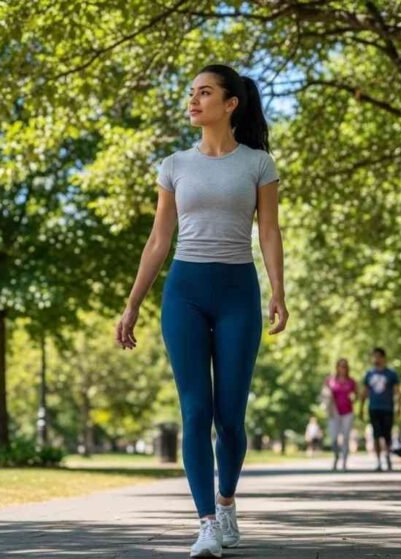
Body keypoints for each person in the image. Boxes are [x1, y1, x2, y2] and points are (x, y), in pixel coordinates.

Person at [115, 64, 286, 558]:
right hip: (184, 291)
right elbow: (158, 240)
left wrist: (278, 290)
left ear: (230, 104)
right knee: (195, 411)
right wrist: (132, 305)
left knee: (230, 416)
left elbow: (269, 231)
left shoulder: (258, 163)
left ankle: (227, 502)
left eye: (204, 92)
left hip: (237, 291)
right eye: (191, 92)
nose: (193, 100)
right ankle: (206, 522)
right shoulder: (173, 165)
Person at [358, 347, 401, 471]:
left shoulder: (391, 374)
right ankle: (378, 461)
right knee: (376, 435)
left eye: (378, 356)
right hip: (373, 407)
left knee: (387, 435)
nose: (375, 359)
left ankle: (387, 456)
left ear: (383, 358)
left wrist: (398, 407)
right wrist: (361, 408)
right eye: (374, 356)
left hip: (388, 408)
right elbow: (364, 392)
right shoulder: (369, 374)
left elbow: (397, 392)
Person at [323, 358, 356, 471]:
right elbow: (324, 393)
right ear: (337, 367)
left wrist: (353, 397)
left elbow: (356, 394)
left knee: (346, 437)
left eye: (344, 366)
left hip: (347, 412)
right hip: (334, 412)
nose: (342, 368)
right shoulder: (330, 380)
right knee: (333, 437)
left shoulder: (351, 381)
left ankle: (344, 462)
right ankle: (336, 456)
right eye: (340, 366)